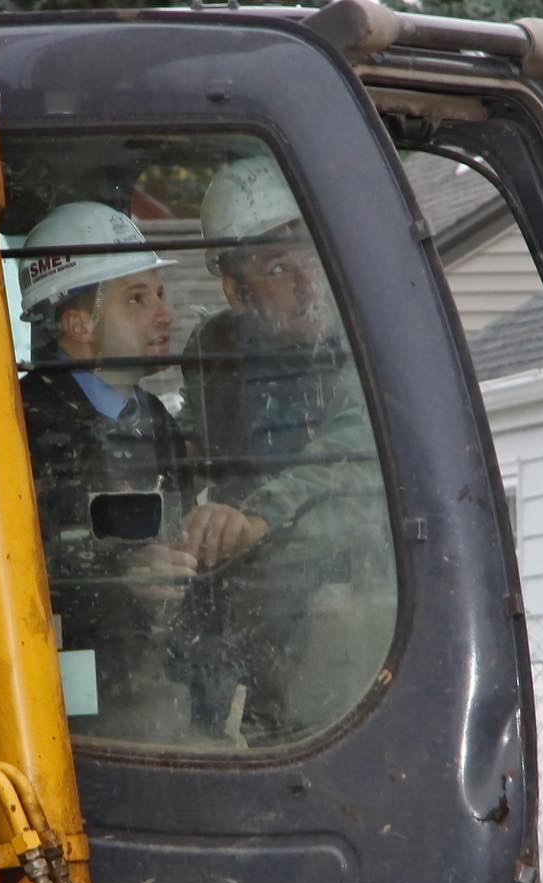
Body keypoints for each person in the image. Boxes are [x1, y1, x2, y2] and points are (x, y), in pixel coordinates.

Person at [171, 156, 392, 741]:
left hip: (350, 610)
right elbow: (194, 447)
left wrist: (256, 519)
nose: (306, 281)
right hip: (243, 611)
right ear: (235, 291)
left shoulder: (363, 340)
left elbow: (354, 449)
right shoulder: (212, 350)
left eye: (309, 257)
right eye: (276, 265)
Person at [17, 201, 255, 740]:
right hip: (71, 709)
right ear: (78, 325)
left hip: (163, 691)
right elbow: (11, 570)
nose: (165, 314)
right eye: (137, 300)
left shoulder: (155, 422)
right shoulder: (19, 429)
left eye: (161, 295)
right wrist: (119, 578)